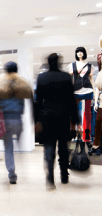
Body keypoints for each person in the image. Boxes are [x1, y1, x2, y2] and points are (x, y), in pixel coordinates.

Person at [36, 53, 81, 188]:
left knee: (49, 146)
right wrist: (75, 119)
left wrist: (37, 120)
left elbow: (38, 102)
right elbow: (71, 100)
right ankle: (64, 176)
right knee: (63, 148)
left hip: (47, 117)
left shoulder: (42, 77)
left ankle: (50, 177)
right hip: (63, 117)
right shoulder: (66, 77)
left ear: (48, 63)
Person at [0, 61, 33, 184]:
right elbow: (30, 101)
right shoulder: (22, 84)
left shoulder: (0, 85)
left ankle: (12, 173)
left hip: (6, 121)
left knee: (8, 148)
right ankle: (24, 169)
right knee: (19, 145)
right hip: (18, 120)